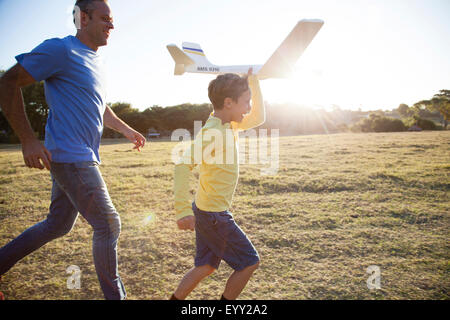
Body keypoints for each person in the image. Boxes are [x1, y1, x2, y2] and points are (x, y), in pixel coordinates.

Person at [0, 0, 145, 300]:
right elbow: (8, 82)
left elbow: (100, 107)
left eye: (112, 19)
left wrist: (127, 130)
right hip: (71, 157)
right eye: (105, 18)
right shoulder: (61, 49)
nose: (112, 25)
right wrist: (28, 138)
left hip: (76, 156)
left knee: (58, 225)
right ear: (83, 18)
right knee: (108, 224)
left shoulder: (96, 61)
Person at [171, 69, 265, 300]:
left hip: (206, 210)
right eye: (246, 102)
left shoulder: (228, 125)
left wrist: (254, 80)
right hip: (214, 215)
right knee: (249, 262)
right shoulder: (213, 132)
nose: (249, 108)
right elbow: (182, 166)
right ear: (228, 102)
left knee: (207, 266)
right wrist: (182, 210)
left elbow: (259, 118)